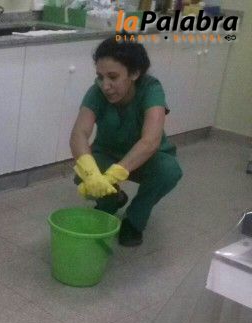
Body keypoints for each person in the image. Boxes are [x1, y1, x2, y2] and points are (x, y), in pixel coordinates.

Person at [70, 37, 183, 246]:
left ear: (134, 73)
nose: (105, 85)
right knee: (82, 175)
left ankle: (134, 220)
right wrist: (91, 172)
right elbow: (79, 134)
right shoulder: (97, 92)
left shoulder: (151, 89)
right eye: (100, 77)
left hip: (147, 159)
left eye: (113, 77)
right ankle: (112, 200)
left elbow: (150, 141)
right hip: (108, 154)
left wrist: (114, 175)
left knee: (168, 171)